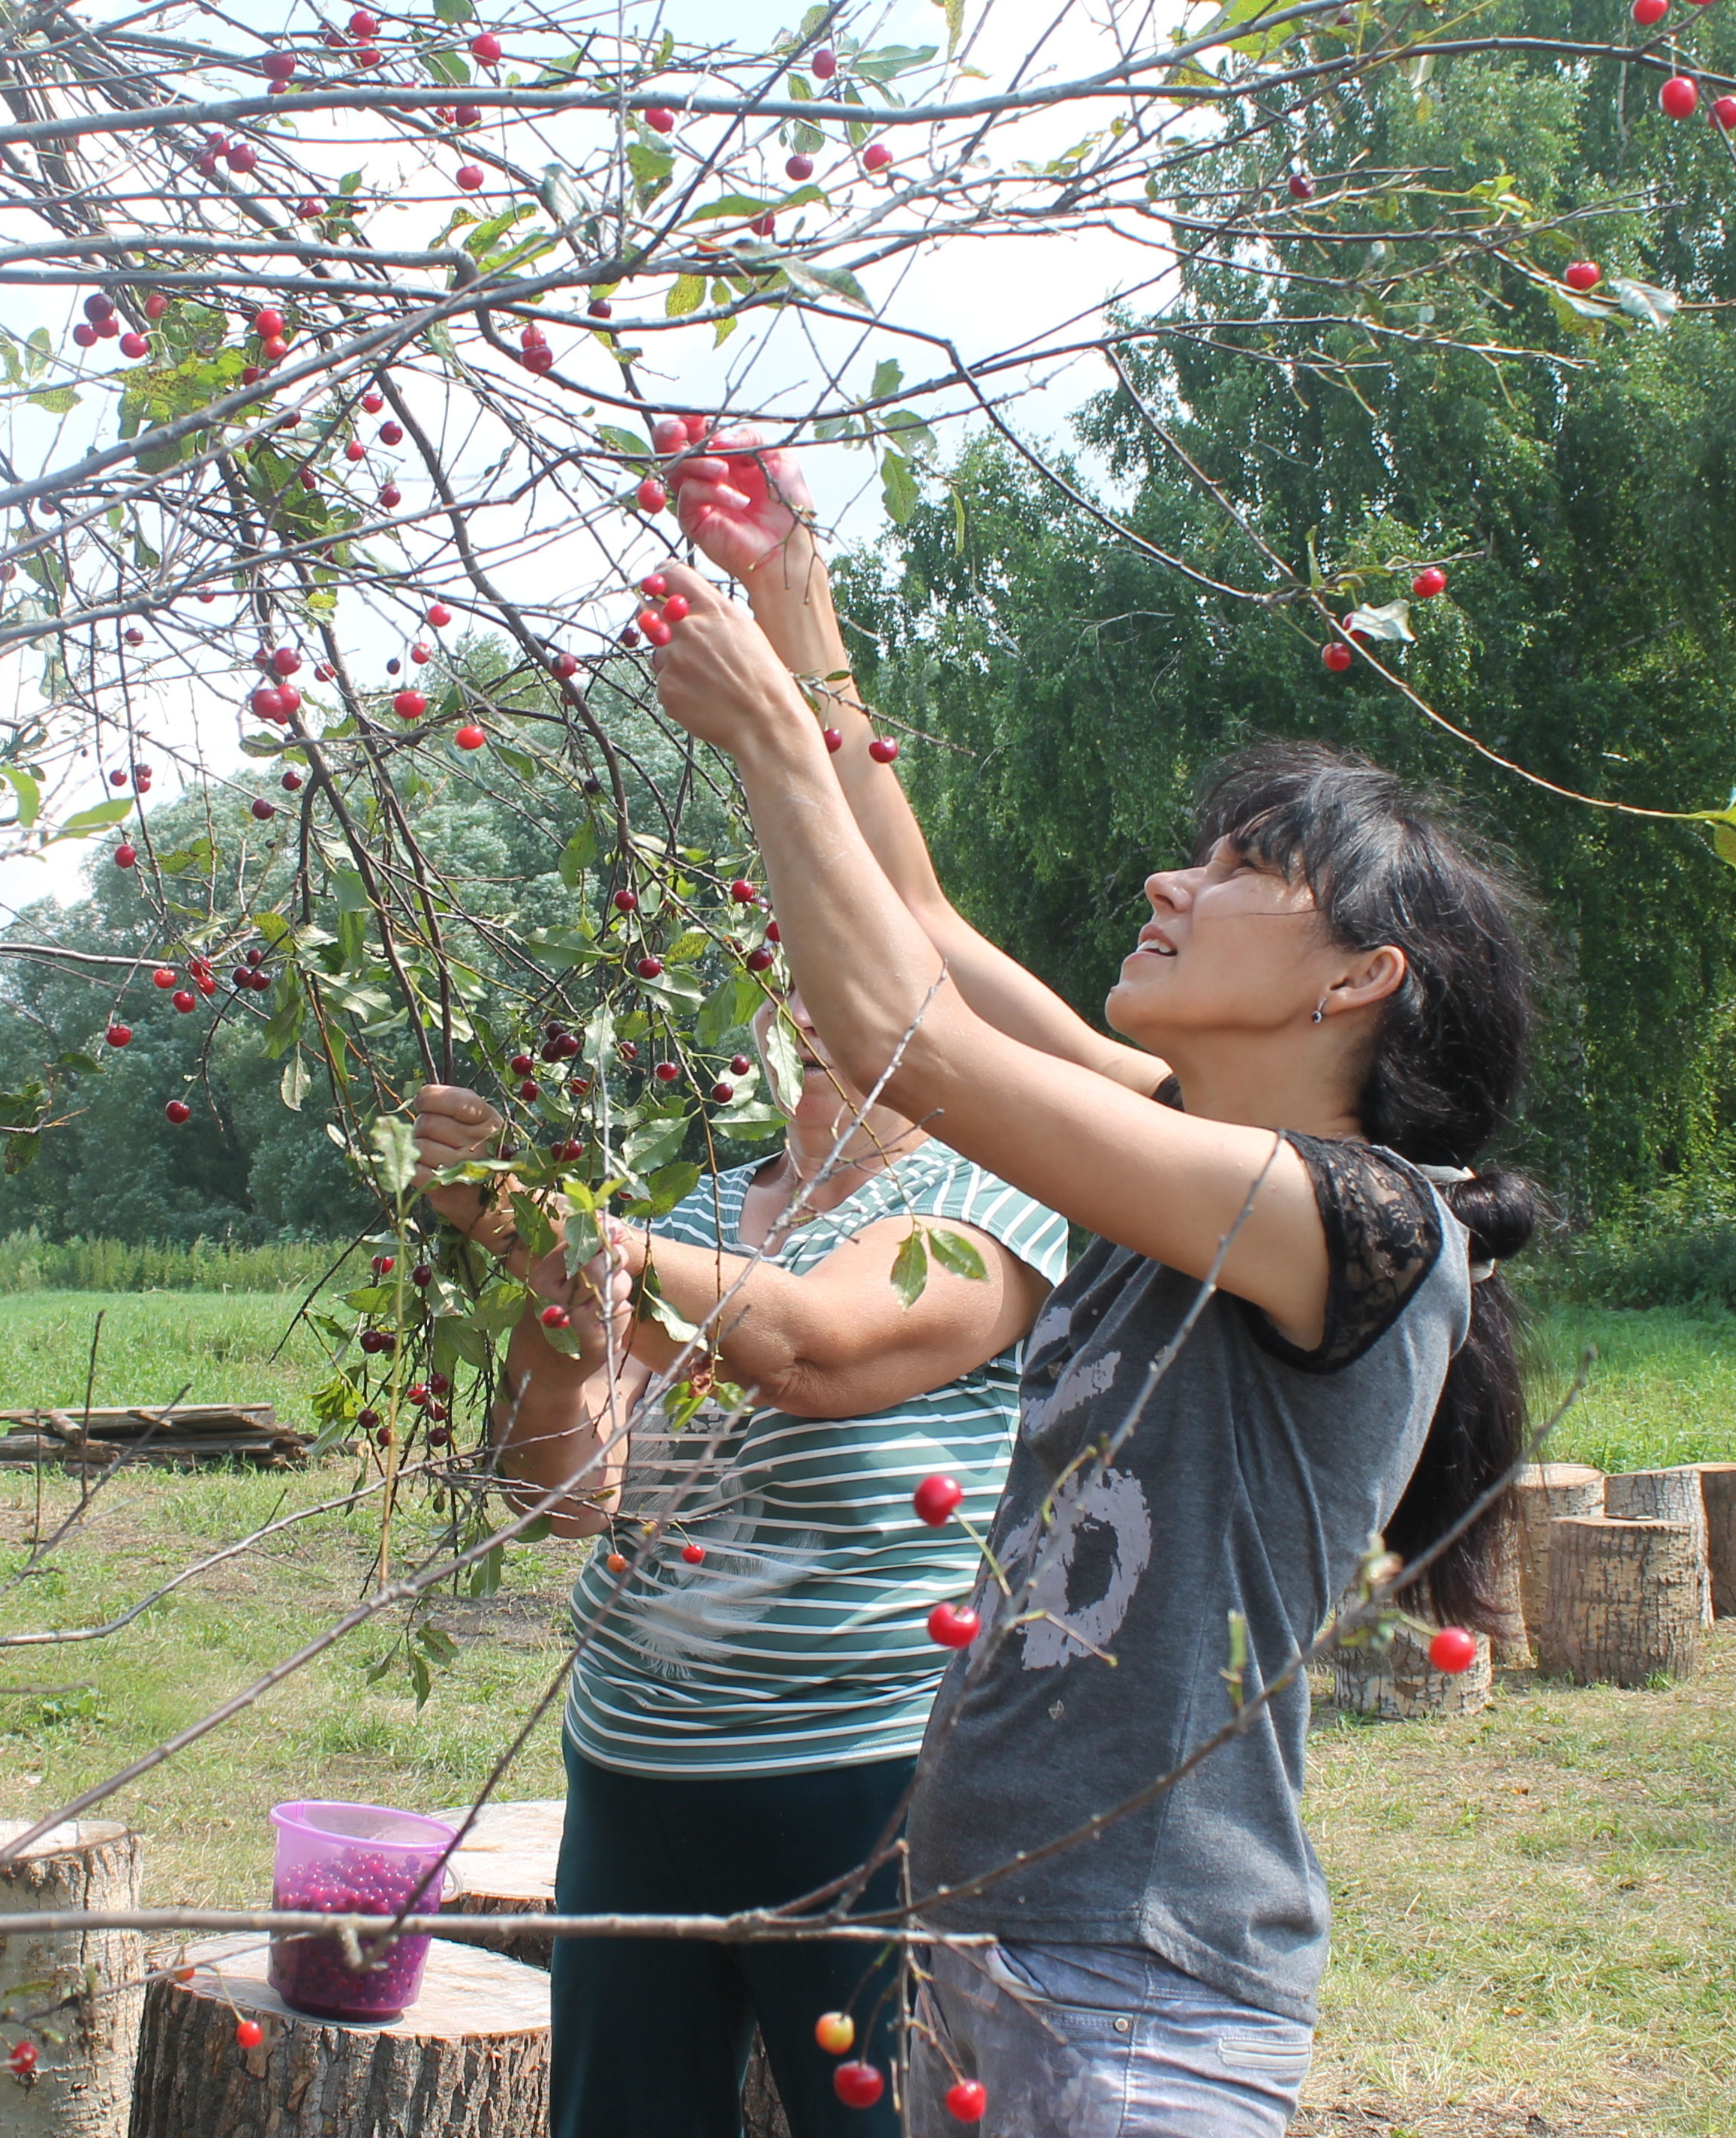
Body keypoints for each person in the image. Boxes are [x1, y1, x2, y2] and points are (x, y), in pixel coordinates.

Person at [639, 435, 1545, 2136]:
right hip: (994, 1948)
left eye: (1235, 870)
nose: (1168, 881)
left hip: (1145, 1995)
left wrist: (762, 730)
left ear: (1363, 973)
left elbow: (897, 1030)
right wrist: (795, 599)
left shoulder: (1368, 1227)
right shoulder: (1171, 1163)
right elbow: (909, 915)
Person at [406, 985, 1067, 2138]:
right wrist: (557, 1303)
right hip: (633, 1771)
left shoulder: (993, 1207)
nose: (808, 1021)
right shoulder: (701, 1209)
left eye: (843, 992)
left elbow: (813, 1342)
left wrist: (531, 1216)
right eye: (785, 990)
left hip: (870, 1785)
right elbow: (561, 1495)